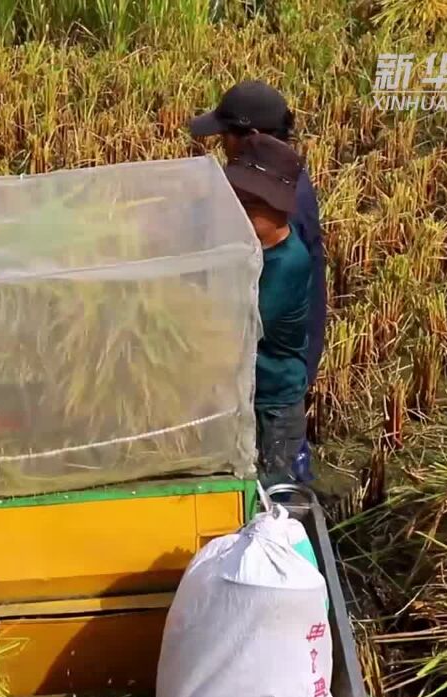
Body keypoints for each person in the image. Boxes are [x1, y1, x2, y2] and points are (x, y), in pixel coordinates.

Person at [188, 79, 324, 484]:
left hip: (273, 384)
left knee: (278, 484)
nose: (221, 144)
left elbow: (242, 325)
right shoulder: (272, 187)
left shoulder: (285, 221)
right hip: (262, 377)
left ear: (252, 138)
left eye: (226, 136)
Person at [223, 134, 311, 488]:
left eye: (248, 208)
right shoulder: (250, 252)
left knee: (273, 490)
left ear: (275, 210)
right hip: (246, 395)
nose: (238, 217)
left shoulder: (287, 263)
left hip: (273, 404)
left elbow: (239, 328)